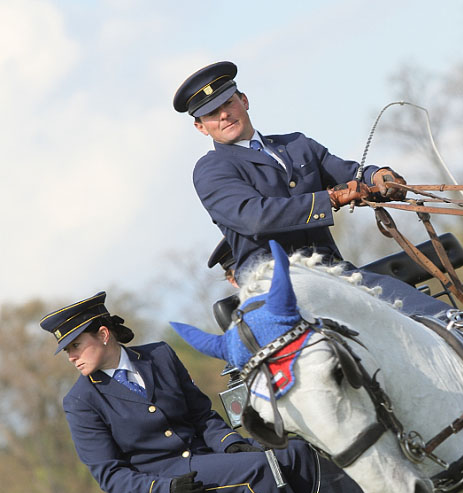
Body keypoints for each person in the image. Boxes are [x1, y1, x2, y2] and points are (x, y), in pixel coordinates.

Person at [40, 291, 317, 493]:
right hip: (165, 484)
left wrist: (229, 443)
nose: (72, 357)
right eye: (67, 351)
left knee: (297, 451)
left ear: (103, 334)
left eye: (76, 345)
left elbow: (202, 416)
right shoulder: (81, 400)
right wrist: (167, 489)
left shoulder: (160, 355)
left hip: (206, 458)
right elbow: (110, 476)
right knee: (258, 470)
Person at [174, 61, 447, 317]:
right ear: (201, 127)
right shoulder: (212, 170)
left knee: (429, 314)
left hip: (334, 273)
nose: (224, 115)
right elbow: (254, 217)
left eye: (228, 103)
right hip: (274, 288)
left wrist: (378, 176)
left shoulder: (297, 144)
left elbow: (351, 174)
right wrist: (329, 199)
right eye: (212, 113)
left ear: (243, 101)